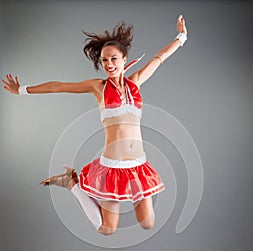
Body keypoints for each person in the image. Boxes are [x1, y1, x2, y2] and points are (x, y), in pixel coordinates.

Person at [2, 15, 187, 236]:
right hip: (113, 167)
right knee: (107, 229)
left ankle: (73, 182)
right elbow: (58, 86)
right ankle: (72, 184)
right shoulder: (98, 87)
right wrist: (22, 90)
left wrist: (181, 37)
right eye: (104, 60)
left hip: (138, 166)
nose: (109, 64)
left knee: (148, 223)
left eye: (114, 59)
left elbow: (159, 57)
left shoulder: (135, 82)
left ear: (124, 59)